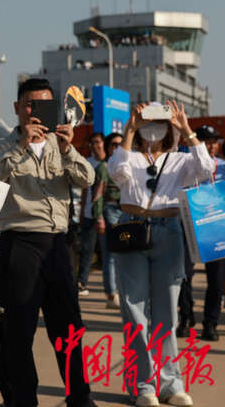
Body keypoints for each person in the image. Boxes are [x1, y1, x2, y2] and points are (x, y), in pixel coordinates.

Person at [0, 77, 97, 407]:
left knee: (70, 330)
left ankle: (80, 397)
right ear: (18, 108)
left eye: (43, 105)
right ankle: (22, 400)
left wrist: (67, 148)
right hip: (20, 245)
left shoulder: (59, 144)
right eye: (30, 104)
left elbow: (86, 178)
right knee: (18, 333)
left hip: (58, 246)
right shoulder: (3, 146)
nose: (36, 112)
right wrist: (21, 147)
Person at [108, 101, 214, 406]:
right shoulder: (129, 155)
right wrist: (129, 129)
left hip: (168, 231)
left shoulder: (180, 160)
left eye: (159, 121)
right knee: (135, 312)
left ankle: (171, 383)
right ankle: (144, 385)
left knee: (167, 314)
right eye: (147, 121)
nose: (152, 127)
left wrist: (186, 129)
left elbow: (206, 168)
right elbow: (117, 173)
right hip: (131, 229)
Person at [193, 125, 225, 341]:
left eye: (214, 141)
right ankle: (186, 317)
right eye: (205, 141)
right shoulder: (188, 166)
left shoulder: (223, 166)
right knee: (185, 276)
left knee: (217, 280)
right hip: (193, 226)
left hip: (218, 229)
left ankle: (211, 323)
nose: (211, 146)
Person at [90, 132, 123, 309]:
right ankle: (111, 295)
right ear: (108, 147)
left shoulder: (128, 165)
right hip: (110, 211)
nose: (117, 148)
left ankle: (122, 290)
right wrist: (99, 217)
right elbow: (97, 196)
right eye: (114, 145)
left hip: (127, 214)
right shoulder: (104, 167)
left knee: (126, 254)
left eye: (121, 144)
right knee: (110, 256)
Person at [77, 132, 105, 296]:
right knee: (87, 250)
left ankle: (113, 287)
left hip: (107, 215)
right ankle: (82, 282)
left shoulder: (110, 163)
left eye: (98, 142)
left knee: (109, 253)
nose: (95, 146)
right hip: (89, 214)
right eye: (92, 143)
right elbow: (85, 190)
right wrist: (82, 212)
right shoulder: (88, 163)